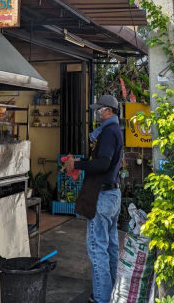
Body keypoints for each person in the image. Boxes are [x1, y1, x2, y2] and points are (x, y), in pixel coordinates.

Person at [65, 94, 123, 303]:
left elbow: (102, 164)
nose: (96, 113)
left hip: (103, 196)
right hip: (113, 195)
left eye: (99, 109)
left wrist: (77, 165)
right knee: (111, 247)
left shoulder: (108, 132)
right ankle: (112, 293)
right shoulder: (115, 130)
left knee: (98, 249)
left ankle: (101, 298)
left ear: (108, 111)